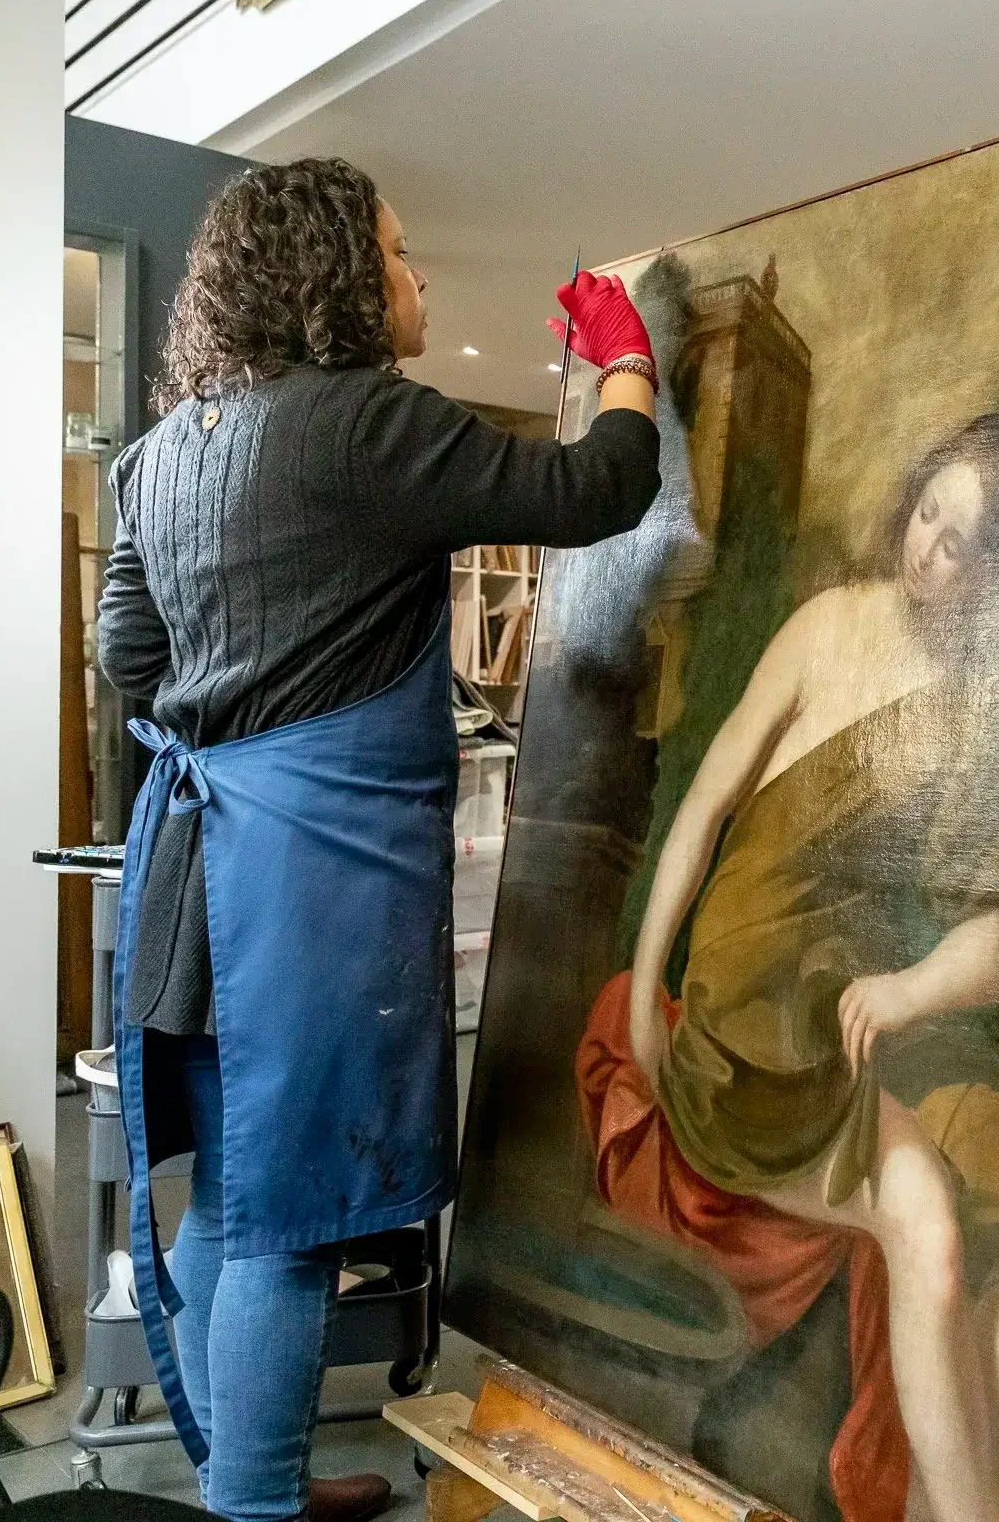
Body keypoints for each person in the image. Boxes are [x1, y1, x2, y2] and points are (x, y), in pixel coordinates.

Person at [97, 156, 661, 1522]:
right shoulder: (364, 426)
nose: (420, 280)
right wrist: (626, 358)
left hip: (194, 876)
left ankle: (256, 1474)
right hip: (307, 890)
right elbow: (596, 491)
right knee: (289, 1235)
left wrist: (232, 712)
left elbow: (127, 654)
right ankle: (255, 1504)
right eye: (402, 256)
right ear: (343, 280)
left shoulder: (157, 456)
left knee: (236, 1203)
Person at [578, 416, 999, 1522]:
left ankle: (933, 1498)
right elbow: (704, 803)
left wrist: (912, 988)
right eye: (929, 512)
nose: (931, 547)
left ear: (995, 568)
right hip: (743, 1024)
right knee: (922, 1210)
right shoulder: (829, 624)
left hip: (843, 1028)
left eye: (964, 541)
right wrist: (646, 986)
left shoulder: (979, 707)